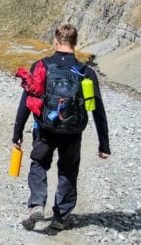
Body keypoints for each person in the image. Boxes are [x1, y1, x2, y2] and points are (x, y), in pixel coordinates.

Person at [12, 24, 110, 230]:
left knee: (38, 163)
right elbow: (97, 110)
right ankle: (61, 218)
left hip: (45, 129)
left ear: (55, 41)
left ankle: (37, 204)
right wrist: (104, 144)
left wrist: (17, 132)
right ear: (75, 43)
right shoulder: (86, 72)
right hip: (73, 132)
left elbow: (27, 101)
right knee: (68, 171)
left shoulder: (41, 66)